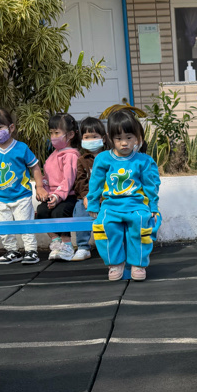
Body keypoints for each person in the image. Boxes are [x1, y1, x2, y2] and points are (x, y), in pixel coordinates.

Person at [87, 110, 160, 281]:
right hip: (110, 206)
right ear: (110, 138)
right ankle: (115, 263)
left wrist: (153, 207)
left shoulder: (143, 160)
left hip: (136, 205)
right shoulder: (103, 159)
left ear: (137, 138)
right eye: (119, 138)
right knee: (104, 226)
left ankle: (138, 264)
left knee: (141, 225)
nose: (124, 143)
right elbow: (96, 183)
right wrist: (93, 204)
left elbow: (151, 186)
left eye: (129, 137)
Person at [0, 107, 47, 265]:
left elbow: (35, 167)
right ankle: (12, 251)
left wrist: (39, 187)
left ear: (11, 128)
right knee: (4, 227)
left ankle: (31, 251)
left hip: (21, 195)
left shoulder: (21, 148)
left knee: (26, 225)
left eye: (0, 127)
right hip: (0, 198)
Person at [36, 112, 83, 261]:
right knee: (41, 211)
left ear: (70, 135)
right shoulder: (53, 155)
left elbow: (68, 180)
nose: (53, 136)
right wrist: (43, 190)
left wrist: (57, 196)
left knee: (60, 212)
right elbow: (46, 178)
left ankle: (67, 244)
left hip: (68, 196)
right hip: (53, 196)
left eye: (57, 133)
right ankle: (56, 241)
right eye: (51, 133)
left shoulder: (71, 155)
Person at [71, 116, 110, 259]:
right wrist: (86, 196)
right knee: (80, 209)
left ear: (103, 139)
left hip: (107, 197)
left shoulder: (109, 158)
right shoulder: (82, 160)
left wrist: (103, 197)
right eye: (86, 137)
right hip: (87, 198)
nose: (91, 140)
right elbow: (80, 181)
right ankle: (82, 246)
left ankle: (110, 244)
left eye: (94, 136)